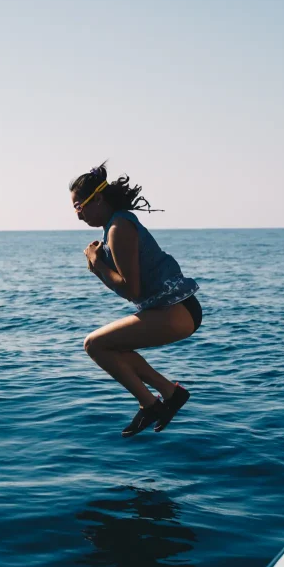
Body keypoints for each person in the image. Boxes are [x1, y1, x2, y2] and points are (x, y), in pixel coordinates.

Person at [70, 163, 202, 437]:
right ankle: (169, 394)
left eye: (79, 206)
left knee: (94, 344)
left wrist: (98, 266)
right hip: (174, 309)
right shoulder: (115, 225)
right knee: (108, 347)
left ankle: (151, 403)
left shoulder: (119, 228)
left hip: (176, 310)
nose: (77, 214)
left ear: (98, 199)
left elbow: (133, 291)